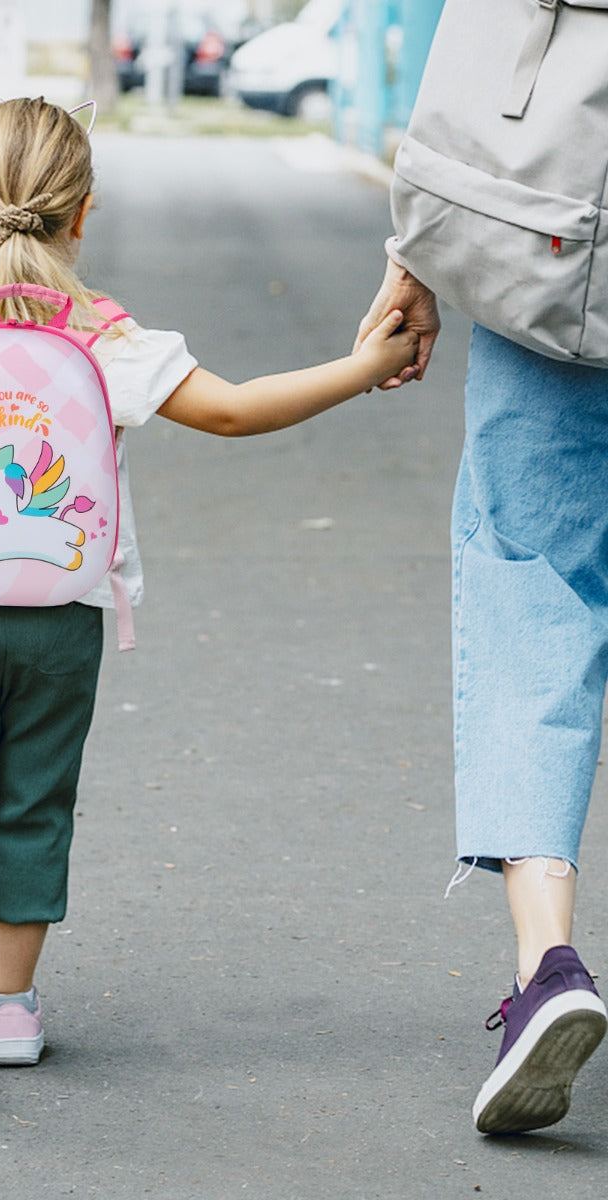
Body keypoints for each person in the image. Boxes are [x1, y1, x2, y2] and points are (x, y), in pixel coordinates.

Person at [0, 96, 419, 1102]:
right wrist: (366, 365)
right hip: (60, 623)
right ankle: (6, 1010)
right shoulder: (109, 339)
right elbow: (236, 410)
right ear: (83, 214)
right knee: (29, 805)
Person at [356, 249, 608, 1135]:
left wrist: (416, 260)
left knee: (533, 604)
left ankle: (550, 965)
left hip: (554, 283)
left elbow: (468, 122)